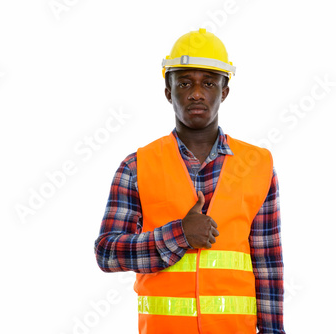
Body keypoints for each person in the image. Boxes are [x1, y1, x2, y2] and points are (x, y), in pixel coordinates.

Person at [94, 28, 285, 334]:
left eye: (208, 83)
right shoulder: (136, 166)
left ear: (224, 92)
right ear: (169, 92)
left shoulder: (258, 165)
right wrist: (179, 234)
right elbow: (106, 252)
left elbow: (268, 264)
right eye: (184, 83)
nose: (197, 93)